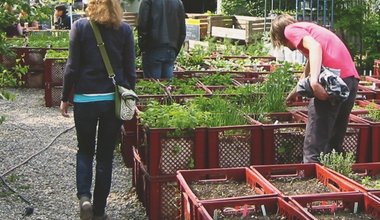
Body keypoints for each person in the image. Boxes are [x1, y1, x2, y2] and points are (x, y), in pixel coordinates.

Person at [59, 0, 136, 219]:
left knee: (84, 150)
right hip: (112, 100)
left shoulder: (80, 27)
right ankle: (100, 209)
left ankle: (84, 198)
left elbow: (72, 66)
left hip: (84, 99)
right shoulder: (124, 29)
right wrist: (129, 97)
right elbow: (130, 69)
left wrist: (65, 98)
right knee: (105, 155)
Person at [270, 14, 360, 163]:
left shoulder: (290, 30)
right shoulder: (310, 28)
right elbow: (311, 62)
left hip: (333, 80)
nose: (285, 46)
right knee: (334, 136)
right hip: (350, 80)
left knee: (316, 136)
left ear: (280, 36)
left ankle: (309, 173)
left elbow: (315, 47)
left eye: (281, 42)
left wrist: (314, 82)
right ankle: (334, 173)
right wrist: (295, 92)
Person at [137, 0, 186, 79]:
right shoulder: (178, 2)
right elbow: (182, 31)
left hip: (152, 48)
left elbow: (142, 26)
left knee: (153, 87)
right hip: (171, 49)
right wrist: (175, 48)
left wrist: (143, 47)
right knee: (167, 86)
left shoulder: (148, 1)